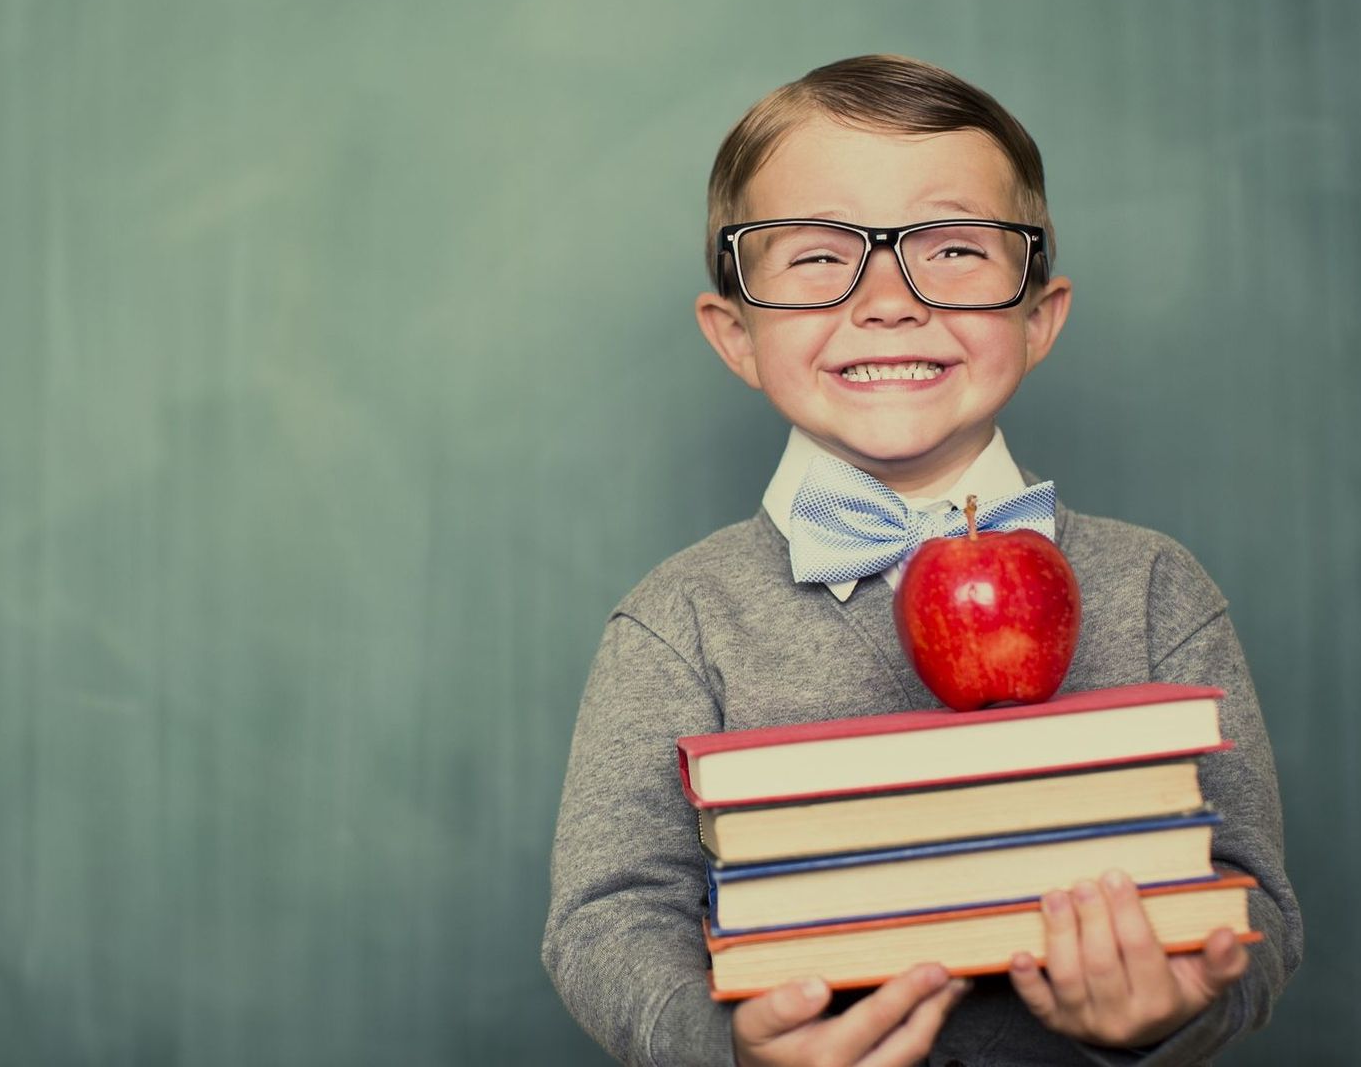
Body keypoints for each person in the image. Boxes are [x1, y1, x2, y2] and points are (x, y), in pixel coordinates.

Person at [540, 55, 1302, 1067]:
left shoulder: (1157, 587)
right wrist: (728, 1046)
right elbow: (605, 918)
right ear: (734, 335)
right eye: (816, 258)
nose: (891, 298)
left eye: (952, 250)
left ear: (1038, 319)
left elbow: (1253, 896)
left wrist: (1174, 1007)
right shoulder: (676, 619)